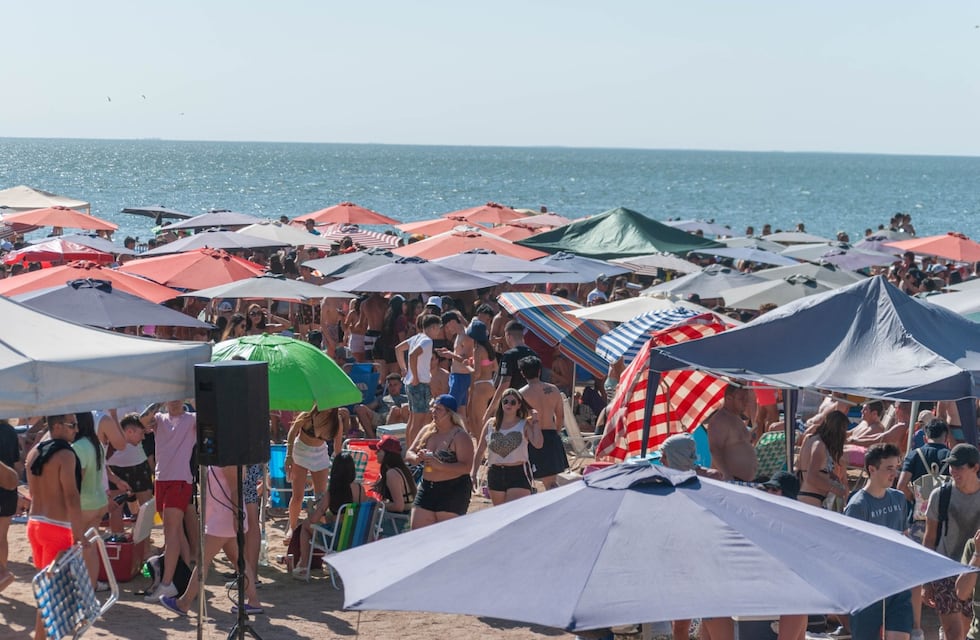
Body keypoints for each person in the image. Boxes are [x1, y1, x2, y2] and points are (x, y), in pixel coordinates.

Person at [159, 464, 262, 616]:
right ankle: (254, 602)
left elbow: (235, 490)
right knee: (239, 560)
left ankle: (184, 603)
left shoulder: (229, 457)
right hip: (222, 518)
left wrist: (236, 518)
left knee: (203, 561)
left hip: (223, 519)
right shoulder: (224, 454)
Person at [25, 415, 85, 640]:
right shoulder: (66, 454)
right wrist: (78, 534)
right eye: (72, 425)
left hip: (35, 525)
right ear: (57, 426)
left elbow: (32, 493)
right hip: (56, 528)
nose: (77, 430)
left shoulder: (35, 452)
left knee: (47, 591)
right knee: (54, 595)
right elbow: (71, 496)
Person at [844, 443, 912, 640]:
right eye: (889, 468)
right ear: (871, 469)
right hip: (868, 590)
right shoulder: (857, 506)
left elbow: (904, 536)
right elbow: (851, 553)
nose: (894, 473)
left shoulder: (898, 499)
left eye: (896, 467)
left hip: (898, 584)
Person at [140, 400, 197, 602]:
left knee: (170, 532)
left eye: (177, 397)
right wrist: (158, 401)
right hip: (162, 479)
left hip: (180, 479)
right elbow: (141, 421)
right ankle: (184, 577)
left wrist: (192, 399)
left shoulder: (192, 419)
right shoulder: (159, 418)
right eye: (171, 397)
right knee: (175, 532)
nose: (174, 401)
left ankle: (166, 584)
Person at [923, 443, 980, 640]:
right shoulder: (941, 495)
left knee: (966, 633)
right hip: (945, 570)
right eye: (951, 466)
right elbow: (929, 538)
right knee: (954, 634)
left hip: (975, 573)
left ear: (975, 467)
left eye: (959, 467)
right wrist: (926, 582)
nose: (954, 471)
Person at [405, 394, 474, 529]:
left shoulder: (459, 436)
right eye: (433, 408)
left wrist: (440, 465)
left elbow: (466, 467)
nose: (433, 412)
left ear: (450, 413)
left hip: (453, 489)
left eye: (438, 409)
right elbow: (409, 453)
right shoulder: (427, 430)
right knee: (417, 533)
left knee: (446, 536)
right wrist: (417, 458)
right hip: (427, 488)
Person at [292, 453, 364, 579]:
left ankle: (303, 566)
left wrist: (311, 511)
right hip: (356, 536)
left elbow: (314, 519)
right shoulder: (360, 489)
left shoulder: (333, 492)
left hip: (337, 539)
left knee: (305, 525)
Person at [472, 388, 543, 505]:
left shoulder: (523, 424)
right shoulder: (491, 424)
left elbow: (538, 444)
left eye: (513, 402)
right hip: (495, 472)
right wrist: (474, 474)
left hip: (518, 472)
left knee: (514, 512)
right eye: (505, 401)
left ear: (519, 405)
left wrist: (535, 421)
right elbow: (480, 451)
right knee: (501, 514)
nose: (508, 404)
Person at [284, 407, 342, 536]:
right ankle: (292, 527)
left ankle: (319, 528)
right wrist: (288, 456)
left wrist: (339, 467)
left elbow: (338, 448)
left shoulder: (336, 420)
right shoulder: (307, 414)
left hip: (320, 453)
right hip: (301, 451)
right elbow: (292, 432)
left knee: (320, 496)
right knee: (298, 495)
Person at [518, 356, 567, 490]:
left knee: (527, 481)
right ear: (539, 371)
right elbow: (560, 416)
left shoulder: (521, 394)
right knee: (551, 482)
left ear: (522, 373)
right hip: (551, 435)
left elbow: (520, 419)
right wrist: (556, 432)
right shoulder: (554, 390)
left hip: (533, 436)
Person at [397, 314, 442, 447]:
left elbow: (398, 349)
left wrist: (404, 369)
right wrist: (415, 376)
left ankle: (409, 450)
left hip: (412, 383)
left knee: (413, 419)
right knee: (418, 420)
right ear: (433, 327)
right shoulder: (427, 341)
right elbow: (412, 355)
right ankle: (413, 450)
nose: (439, 331)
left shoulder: (416, 337)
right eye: (438, 328)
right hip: (419, 383)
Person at [482, 321, 537, 426]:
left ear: (508, 335)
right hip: (530, 406)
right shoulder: (534, 355)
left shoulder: (509, 356)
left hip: (511, 406)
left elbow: (504, 384)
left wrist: (489, 410)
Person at [796, 410, 848, 508]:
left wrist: (830, 475)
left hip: (807, 496)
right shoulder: (819, 445)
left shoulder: (809, 439)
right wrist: (835, 489)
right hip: (813, 500)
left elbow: (801, 468)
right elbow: (811, 477)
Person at [706, 383, 758, 481]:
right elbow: (715, 449)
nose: (746, 402)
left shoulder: (736, 417)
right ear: (729, 399)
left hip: (741, 480)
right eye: (741, 399)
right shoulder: (720, 419)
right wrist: (726, 474)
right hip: (730, 480)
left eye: (747, 399)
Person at [370, 436, 416, 535]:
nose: (376, 453)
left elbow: (399, 506)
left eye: (379, 451)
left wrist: (379, 505)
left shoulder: (392, 474)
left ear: (387, 454)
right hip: (406, 517)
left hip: (399, 522)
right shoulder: (401, 469)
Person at [437, 311, 474, 418]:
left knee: (449, 409)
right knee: (460, 411)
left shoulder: (466, 336)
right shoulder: (459, 335)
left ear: (453, 322)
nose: (447, 329)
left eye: (447, 326)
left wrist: (451, 355)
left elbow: (468, 359)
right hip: (456, 376)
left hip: (461, 377)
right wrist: (449, 353)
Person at [465, 320, 497, 439]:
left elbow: (476, 373)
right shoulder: (489, 348)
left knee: (478, 421)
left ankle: (481, 449)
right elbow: (495, 366)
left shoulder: (477, 349)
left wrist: (467, 365)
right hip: (489, 384)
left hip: (480, 386)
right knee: (485, 420)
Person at [354, 372, 410, 437]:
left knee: (394, 409)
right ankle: (372, 437)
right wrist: (357, 407)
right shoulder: (382, 398)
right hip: (380, 417)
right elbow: (370, 406)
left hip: (396, 419)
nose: (392, 387)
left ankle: (385, 438)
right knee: (360, 408)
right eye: (390, 385)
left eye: (395, 385)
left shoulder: (406, 398)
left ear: (400, 385)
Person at [0, 419, 18, 593]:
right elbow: (16, 462)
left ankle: (2, 573)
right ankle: (2, 571)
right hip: (8, 488)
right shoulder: (10, 431)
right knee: (2, 535)